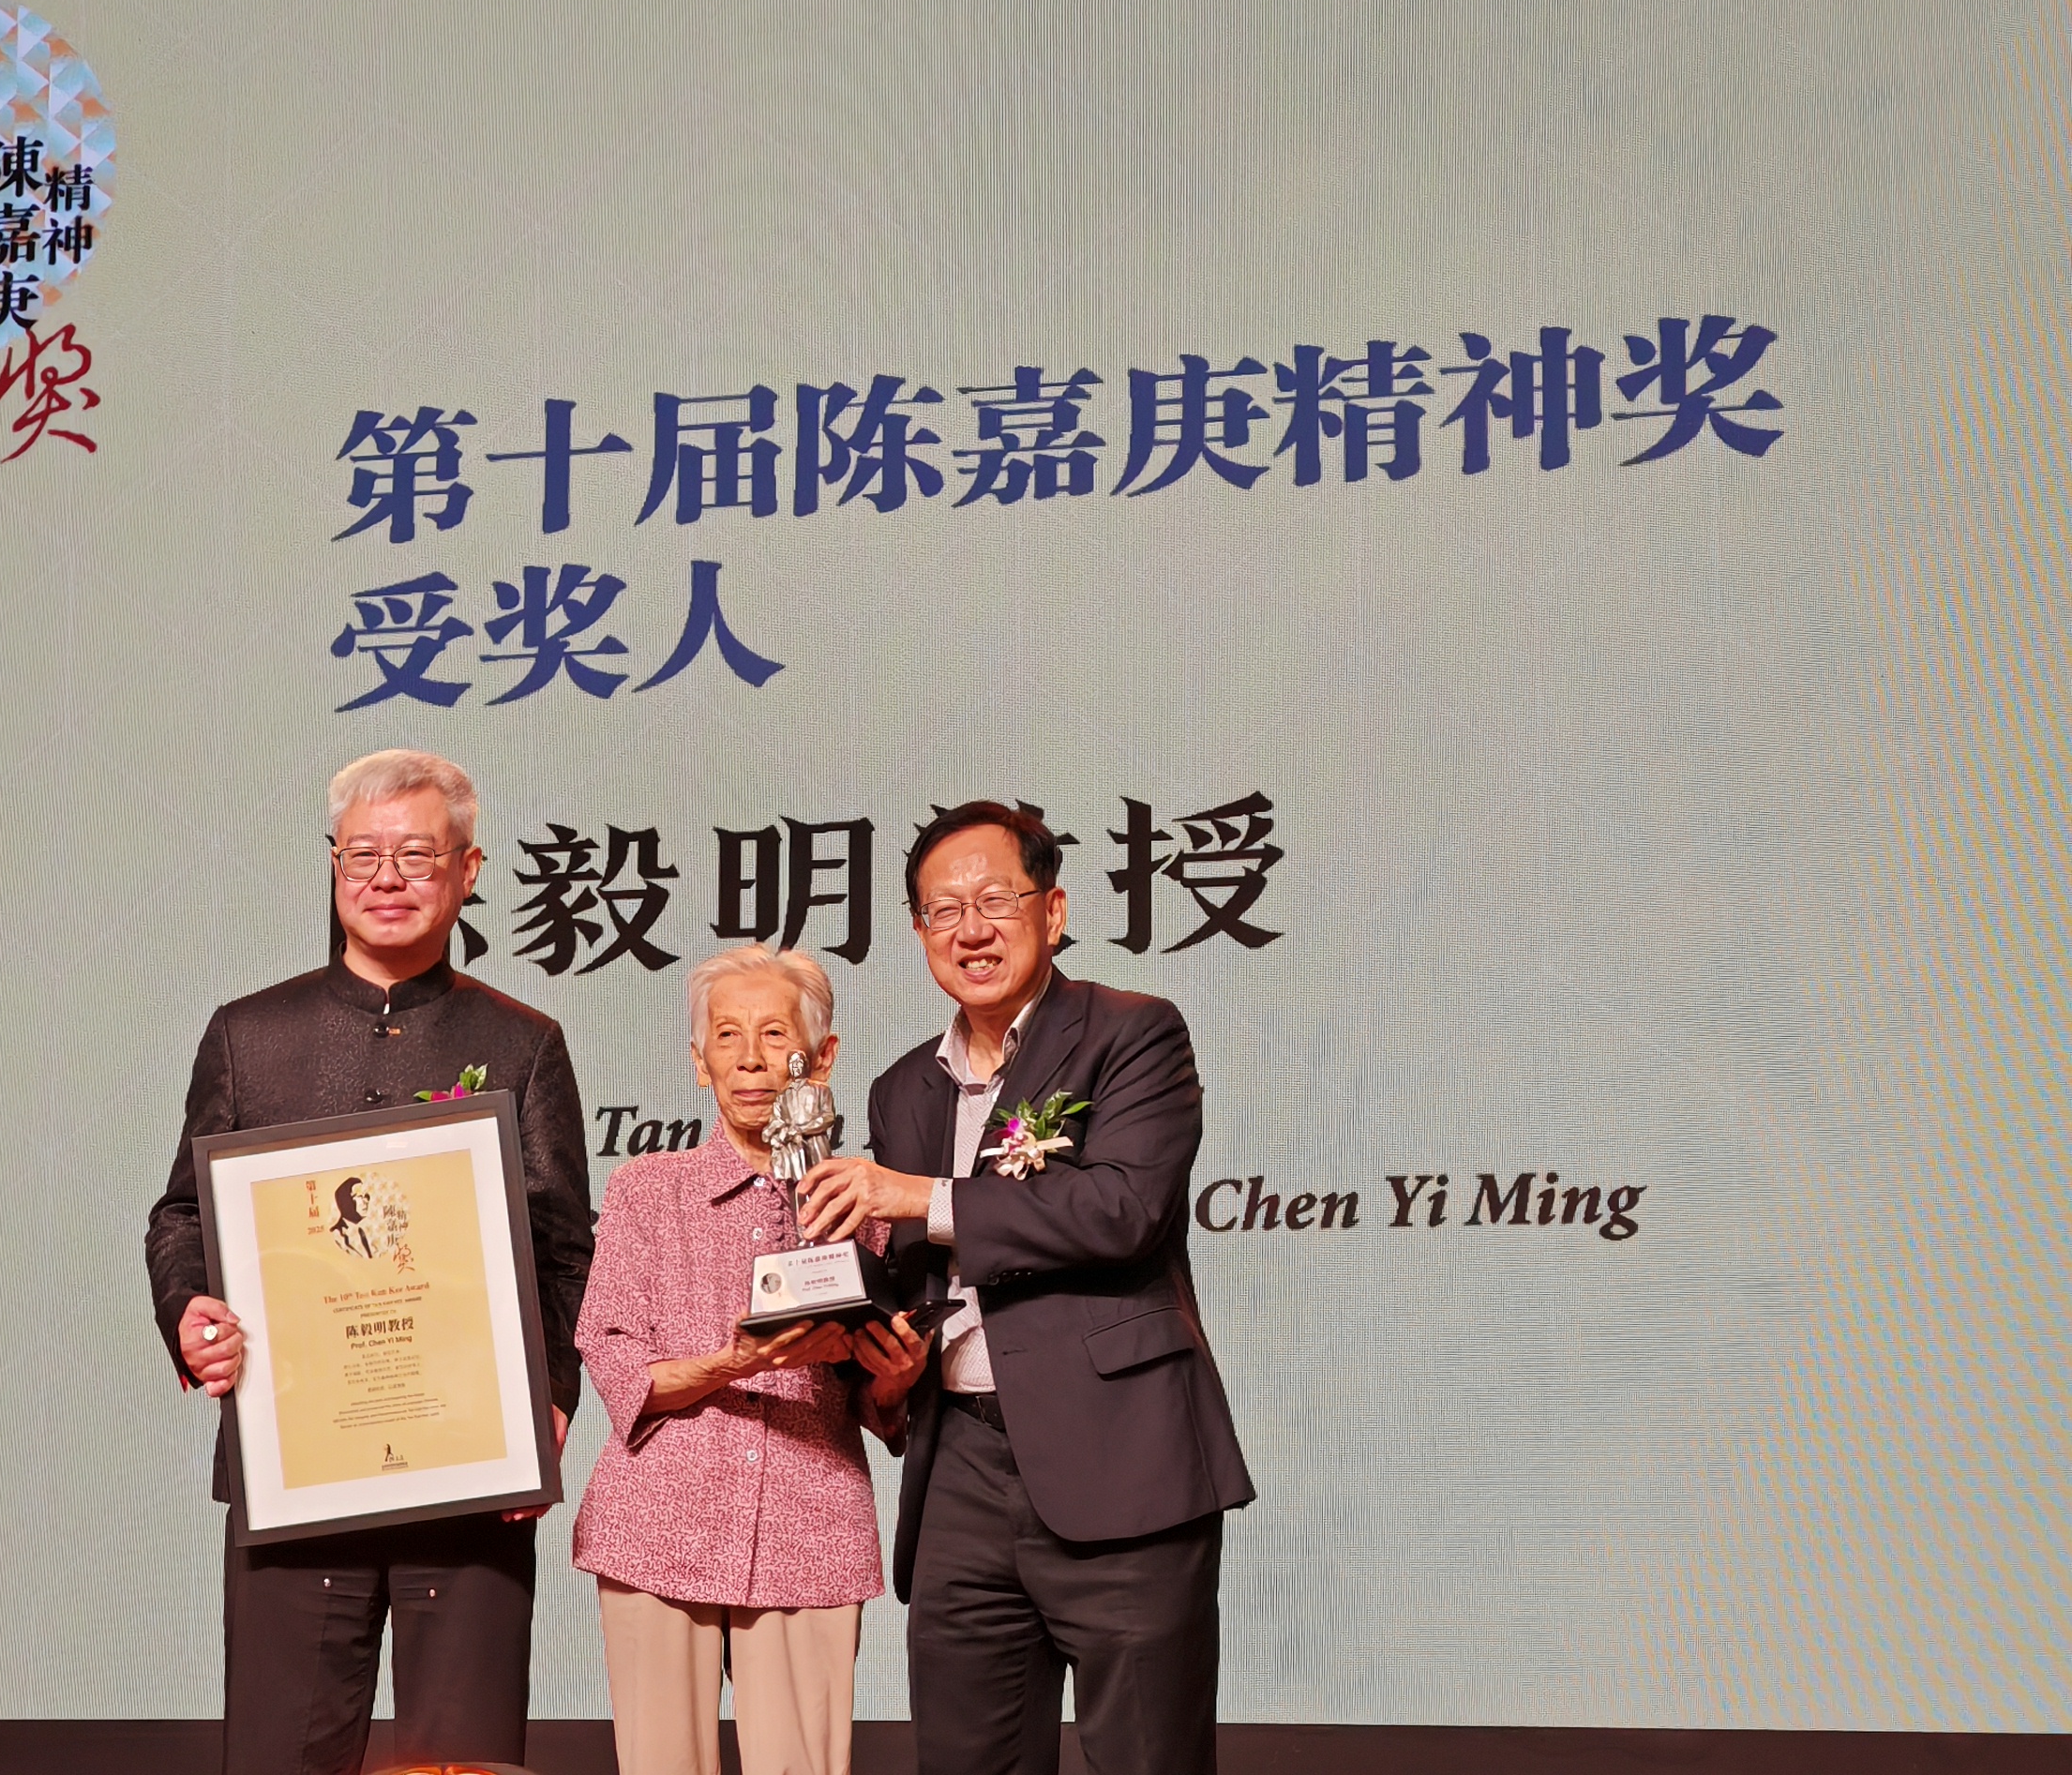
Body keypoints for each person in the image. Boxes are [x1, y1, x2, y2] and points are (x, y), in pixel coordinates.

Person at [143, 748, 593, 1775]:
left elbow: (567, 1250)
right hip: (294, 1468)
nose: (386, 878)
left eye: (417, 855)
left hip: (470, 1476)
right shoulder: (249, 1035)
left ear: (469, 870)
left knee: (463, 1763)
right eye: (363, 855)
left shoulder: (520, 1043)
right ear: (333, 864)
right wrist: (187, 1314)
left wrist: (549, 1400)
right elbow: (183, 1215)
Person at [799, 802, 1256, 1775]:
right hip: (960, 1464)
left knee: (1144, 1756)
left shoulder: (1131, 1034)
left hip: (1118, 1458)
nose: (970, 929)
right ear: (918, 933)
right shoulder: (899, 1090)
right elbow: (911, 1270)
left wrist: (917, 1195)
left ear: (1051, 911)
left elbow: (1122, 1209)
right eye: (941, 910)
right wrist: (878, 1366)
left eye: (994, 900)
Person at [574, 943, 931, 1775]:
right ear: (699, 1064)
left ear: (823, 1054)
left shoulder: (865, 1200)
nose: (751, 1060)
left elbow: (882, 1409)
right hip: (656, 1526)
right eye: (727, 1038)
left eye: (775, 1035)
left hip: (812, 1521)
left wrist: (896, 1378)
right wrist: (731, 1363)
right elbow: (616, 1364)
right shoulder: (645, 1190)